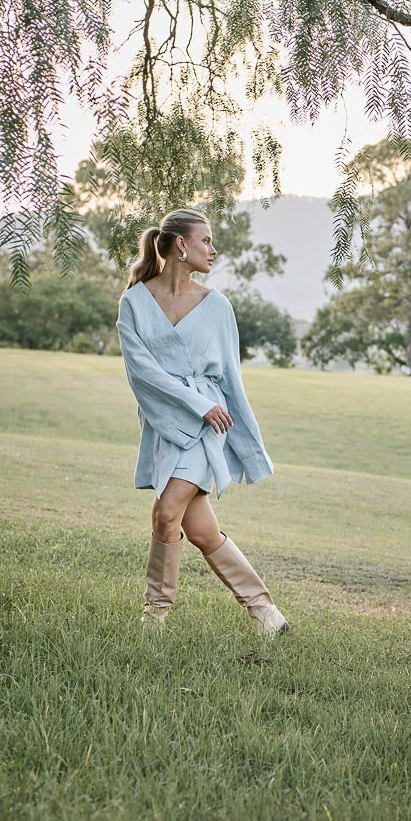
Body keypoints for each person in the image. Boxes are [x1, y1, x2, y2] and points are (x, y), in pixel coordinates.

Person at [115, 206, 289, 637]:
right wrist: (192, 403)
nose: (213, 249)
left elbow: (230, 376)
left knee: (165, 511)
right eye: (206, 240)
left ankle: (154, 617)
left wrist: (243, 439)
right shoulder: (135, 301)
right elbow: (142, 371)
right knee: (201, 530)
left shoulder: (217, 306)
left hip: (207, 425)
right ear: (181, 245)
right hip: (166, 420)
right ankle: (265, 611)